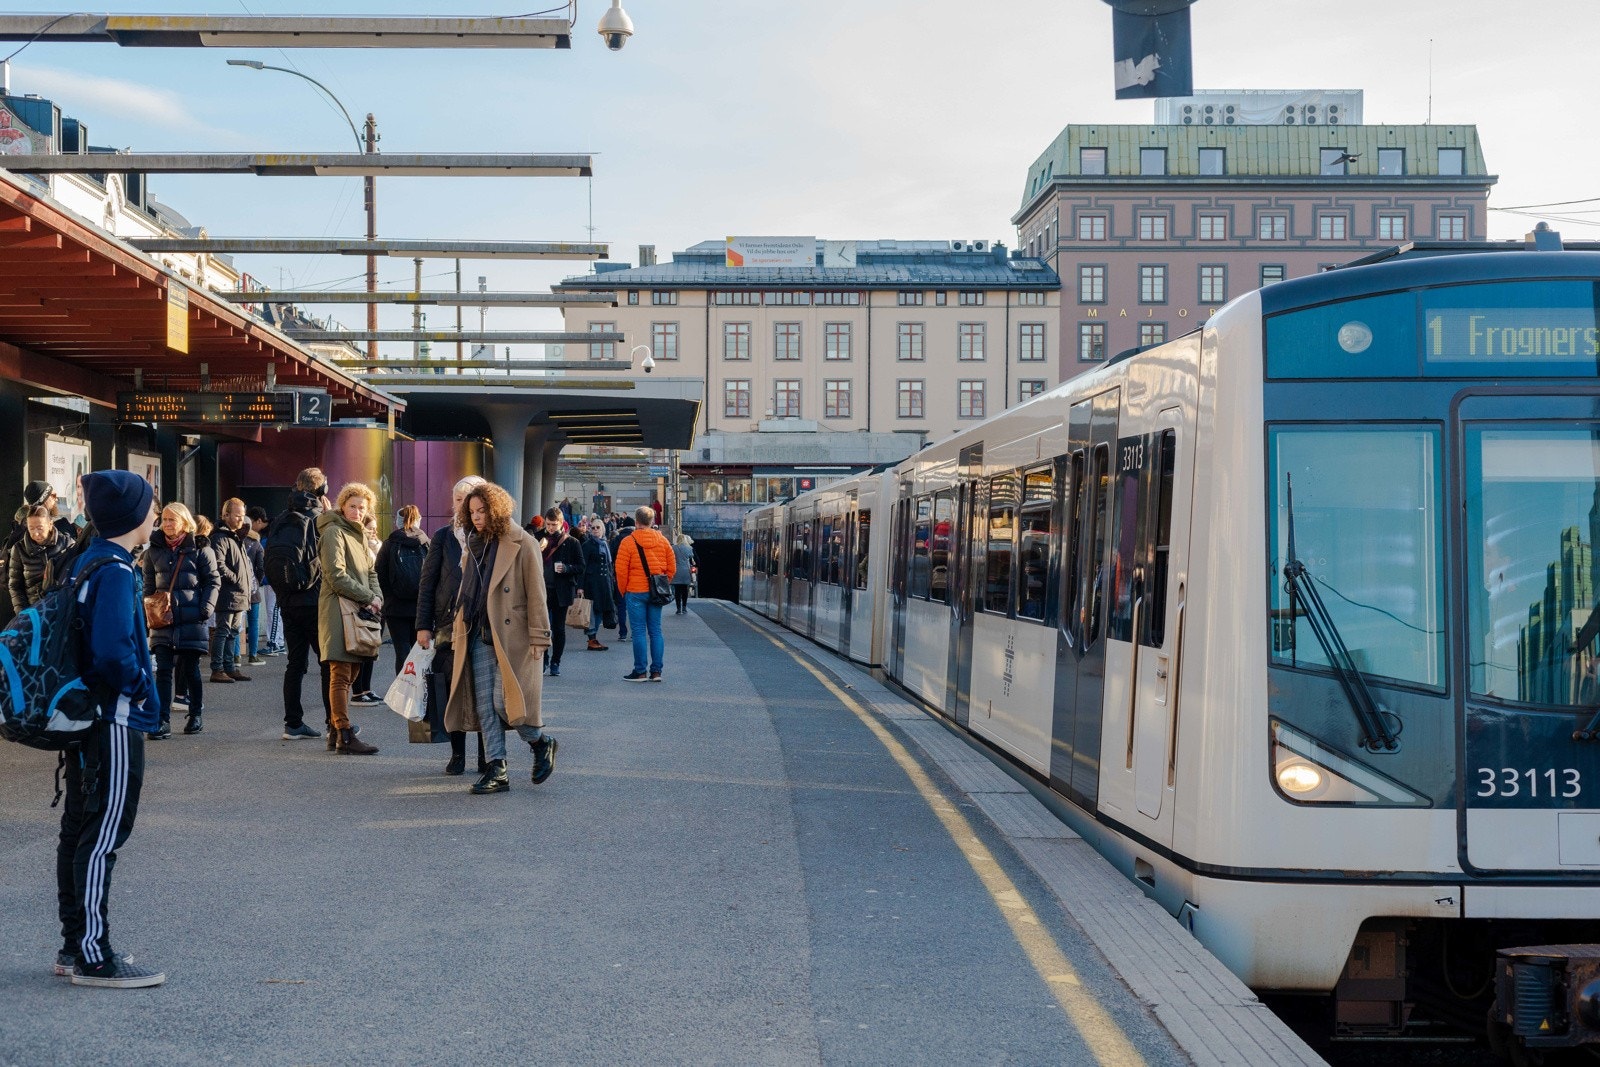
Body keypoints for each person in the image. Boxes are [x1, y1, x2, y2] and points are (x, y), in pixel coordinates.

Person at [55, 470, 166, 988]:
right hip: (114, 717)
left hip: (83, 719)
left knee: (79, 827)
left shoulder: (86, 561)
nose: (156, 510)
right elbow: (114, 652)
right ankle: (94, 956)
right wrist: (141, 687)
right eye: (151, 504)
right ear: (132, 516)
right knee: (104, 834)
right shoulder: (118, 570)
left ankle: (73, 943)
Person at [445, 481, 557, 793]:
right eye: (472, 512)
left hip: (513, 635)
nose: (477, 517)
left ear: (496, 509)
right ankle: (497, 768)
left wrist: (539, 637)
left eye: (482, 510)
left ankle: (540, 742)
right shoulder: (473, 543)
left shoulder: (522, 542)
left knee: (504, 703)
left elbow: (537, 594)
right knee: (484, 704)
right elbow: (466, 592)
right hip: (477, 631)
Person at [417, 476, 488, 775]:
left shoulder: (490, 538)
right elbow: (427, 583)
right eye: (458, 499)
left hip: (483, 626)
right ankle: (457, 754)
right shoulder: (443, 537)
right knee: (452, 690)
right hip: (448, 627)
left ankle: (488, 755)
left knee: (484, 691)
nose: (464, 505)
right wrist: (423, 625)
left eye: (469, 499)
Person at [143, 502, 219, 738]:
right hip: (163, 621)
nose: (166, 524)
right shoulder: (153, 551)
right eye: (164, 519)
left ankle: (195, 714)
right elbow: (148, 587)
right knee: (163, 670)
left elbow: (213, 582)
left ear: (185, 522)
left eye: (171, 519)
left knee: (190, 669)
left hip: (191, 619)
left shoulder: (201, 549)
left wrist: (204, 610)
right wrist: (150, 611)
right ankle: (161, 720)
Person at [316, 483, 382, 755]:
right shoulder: (333, 532)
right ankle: (343, 733)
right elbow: (335, 575)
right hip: (337, 609)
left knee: (351, 671)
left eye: (362, 507)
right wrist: (369, 596)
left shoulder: (360, 535)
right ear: (342, 505)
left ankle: (336, 732)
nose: (356, 511)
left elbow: (371, 572)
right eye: (352, 506)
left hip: (357, 607)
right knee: (341, 674)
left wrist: (376, 596)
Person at [267, 469, 330, 742]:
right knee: (329, 663)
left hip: (287, 601)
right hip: (315, 601)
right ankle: (334, 723)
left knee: (295, 664)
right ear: (322, 490)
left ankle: (293, 723)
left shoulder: (281, 518)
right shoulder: (319, 519)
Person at [613, 505, 674, 682]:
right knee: (656, 630)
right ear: (652, 521)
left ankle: (640, 671)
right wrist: (663, 584)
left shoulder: (628, 542)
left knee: (639, 631)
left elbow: (621, 570)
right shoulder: (662, 541)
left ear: (637, 521)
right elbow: (672, 566)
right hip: (656, 592)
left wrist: (623, 590)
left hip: (635, 590)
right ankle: (656, 672)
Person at [376, 504, 427, 673]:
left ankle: (402, 692)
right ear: (418, 520)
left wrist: (388, 598)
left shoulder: (389, 544)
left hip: (395, 608)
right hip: (420, 607)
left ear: (398, 521)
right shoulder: (426, 543)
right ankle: (418, 693)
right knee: (418, 651)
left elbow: (379, 574)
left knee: (402, 651)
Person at [209, 497, 253, 684]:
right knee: (223, 630)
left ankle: (229, 667)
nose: (240, 520)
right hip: (228, 593)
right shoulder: (220, 537)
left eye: (242, 516)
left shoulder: (235, 537)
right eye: (237, 516)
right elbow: (219, 565)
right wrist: (236, 579)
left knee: (233, 632)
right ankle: (217, 668)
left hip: (238, 593)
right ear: (225, 515)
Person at [540, 505, 584, 678]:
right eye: (548, 524)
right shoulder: (537, 538)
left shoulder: (571, 542)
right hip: (541, 590)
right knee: (543, 627)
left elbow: (581, 566)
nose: (550, 528)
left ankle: (555, 662)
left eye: (554, 525)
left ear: (561, 523)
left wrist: (566, 568)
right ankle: (543, 659)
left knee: (558, 628)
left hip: (561, 590)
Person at [7, 504, 74, 613]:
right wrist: (23, 614)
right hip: (34, 611)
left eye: (40, 528)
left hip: (62, 610)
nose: (35, 533)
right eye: (31, 528)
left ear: (50, 524)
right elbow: (15, 586)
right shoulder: (19, 549)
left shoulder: (67, 543)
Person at [348, 513, 385, 705]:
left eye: (374, 527)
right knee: (362, 647)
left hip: (376, 601)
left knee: (372, 647)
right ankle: (357, 691)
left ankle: (367, 688)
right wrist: (368, 598)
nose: (373, 530)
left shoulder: (376, 544)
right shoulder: (358, 544)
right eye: (369, 526)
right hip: (364, 601)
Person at [579, 514, 615, 652]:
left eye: (597, 527)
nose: (595, 530)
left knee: (600, 610)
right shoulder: (587, 545)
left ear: (603, 529)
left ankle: (593, 637)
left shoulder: (605, 544)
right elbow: (583, 566)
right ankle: (591, 639)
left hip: (604, 583)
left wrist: (612, 581)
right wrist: (580, 586)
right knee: (592, 611)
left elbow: (609, 564)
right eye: (593, 528)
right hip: (591, 583)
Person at [244, 505, 272, 662]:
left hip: (237, 589)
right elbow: (261, 567)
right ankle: (252, 655)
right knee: (253, 622)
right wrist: (258, 582)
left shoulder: (236, 541)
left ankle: (235, 656)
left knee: (237, 626)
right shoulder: (257, 544)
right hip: (253, 588)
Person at [608, 514, 635, 641]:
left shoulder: (617, 539)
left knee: (621, 605)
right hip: (636, 577)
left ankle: (622, 632)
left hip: (620, 575)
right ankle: (635, 632)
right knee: (635, 606)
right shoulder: (636, 538)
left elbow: (610, 557)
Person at [671, 532, 696, 615]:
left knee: (677, 591)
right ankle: (684, 608)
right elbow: (692, 557)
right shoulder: (689, 548)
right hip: (686, 571)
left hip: (676, 571)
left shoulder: (673, 548)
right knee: (685, 590)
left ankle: (678, 609)